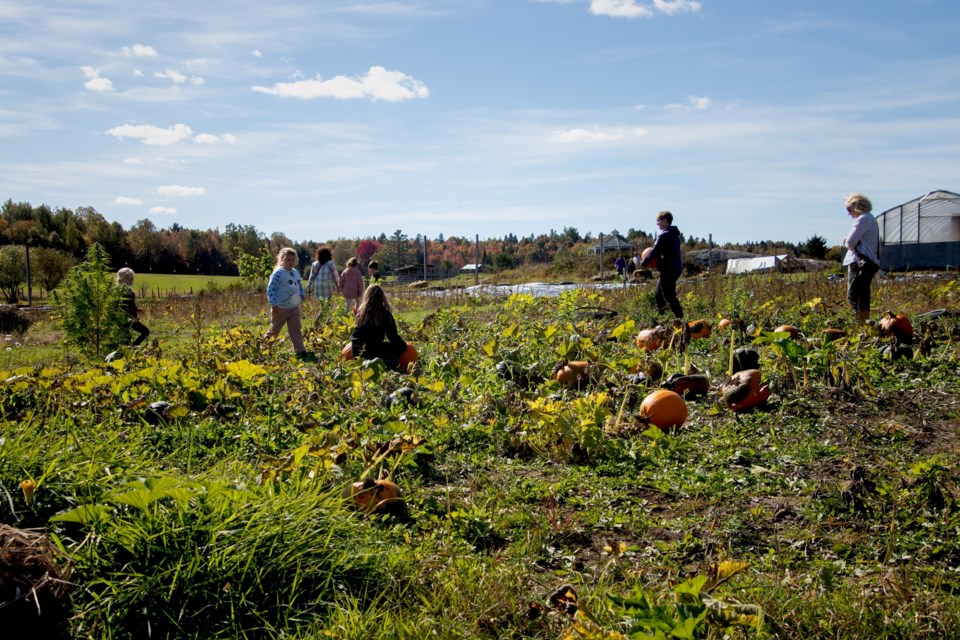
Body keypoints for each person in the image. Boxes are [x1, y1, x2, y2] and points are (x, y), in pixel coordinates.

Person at [264, 247, 313, 361]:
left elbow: (299, 285)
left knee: (296, 329)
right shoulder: (278, 273)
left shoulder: (295, 273)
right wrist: (273, 303)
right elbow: (271, 289)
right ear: (282, 260)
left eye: (292, 260)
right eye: (288, 260)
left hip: (294, 307)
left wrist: (302, 294)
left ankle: (300, 351)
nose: (291, 262)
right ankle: (264, 348)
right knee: (275, 329)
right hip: (280, 308)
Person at [841, 192, 880, 324]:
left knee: (853, 295)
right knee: (863, 293)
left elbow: (850, 243)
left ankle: (861, 322)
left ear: (856, 207)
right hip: (868, 261)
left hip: (859, 262)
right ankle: (865, 321)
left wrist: (846, 241)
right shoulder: (870, 218)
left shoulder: (863, 219)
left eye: (849, 209)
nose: (848, 213)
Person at [350, 284, 408, 370]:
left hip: (365, 352)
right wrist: (403, 345)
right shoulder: (385, 314)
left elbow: (355, 339)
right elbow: (393, 337)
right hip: (378, 350)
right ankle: (388, 363)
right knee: (402, 346)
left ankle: (373, 365)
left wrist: (357, 358)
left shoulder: (361, 315)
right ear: (382, 298)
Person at [640, 210, 684, 318]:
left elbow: (654, 251)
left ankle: (682, 321)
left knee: (669, 295)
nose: (657, 223)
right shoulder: (675, 235)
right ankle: (661, 319)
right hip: (676, 267)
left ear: (665, 220)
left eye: (658, 221)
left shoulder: (663, 235)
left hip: (668, 268)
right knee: (658, 293)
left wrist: (644, 262)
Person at [305, 247, 339, 323]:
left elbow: (311, 276)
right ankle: (318, 323)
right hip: (327, 288)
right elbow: (335, 276)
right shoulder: (330, 263)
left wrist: (308, 286)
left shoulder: (314, 264)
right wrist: (338, 286)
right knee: (326, 308)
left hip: (318, 289)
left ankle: (322, 323)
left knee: (324, 307)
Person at [116, 268, 150, 346]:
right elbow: (123, 307)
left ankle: (132, 349)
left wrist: (136, 309)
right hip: (126, 320)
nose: (130, 280)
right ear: (121, 279)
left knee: (144, 332)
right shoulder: (121, 292)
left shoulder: (128, 292)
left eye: (131, 278)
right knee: (144, 332)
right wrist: (133, 317)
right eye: (127, 278)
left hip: (130, 319)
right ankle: (133, 348)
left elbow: (129, 305)